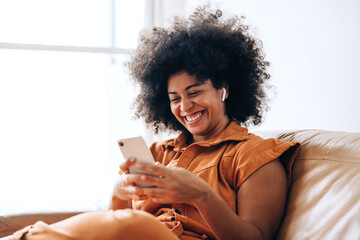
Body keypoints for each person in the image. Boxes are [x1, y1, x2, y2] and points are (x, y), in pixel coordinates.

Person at [8, 6, 300, 240]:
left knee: (134, 224)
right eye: (175, 98)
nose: (185, 107)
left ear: (223, 87)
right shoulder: (160, 153)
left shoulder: (256, 156)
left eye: (195, 92)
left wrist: (200, 194)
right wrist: (121, 190)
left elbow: (256, 236)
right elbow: (111, 224)